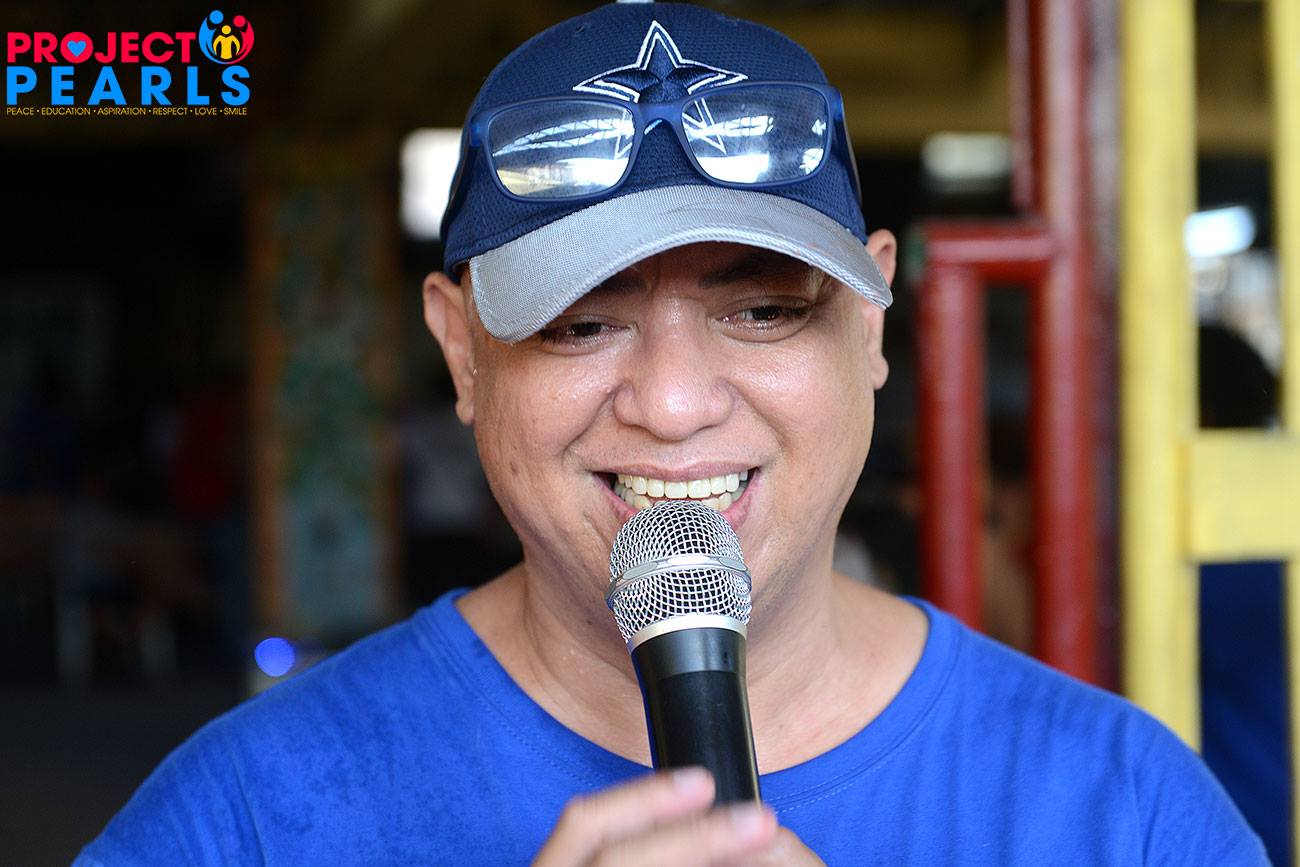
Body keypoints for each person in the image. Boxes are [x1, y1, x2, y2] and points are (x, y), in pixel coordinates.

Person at [77, 2, 1267, 863]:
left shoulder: (1120, 807)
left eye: (763, 310)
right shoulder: (251, 815)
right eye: (580, 324)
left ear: (870, 326)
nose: (675, 402)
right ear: (461, 353)